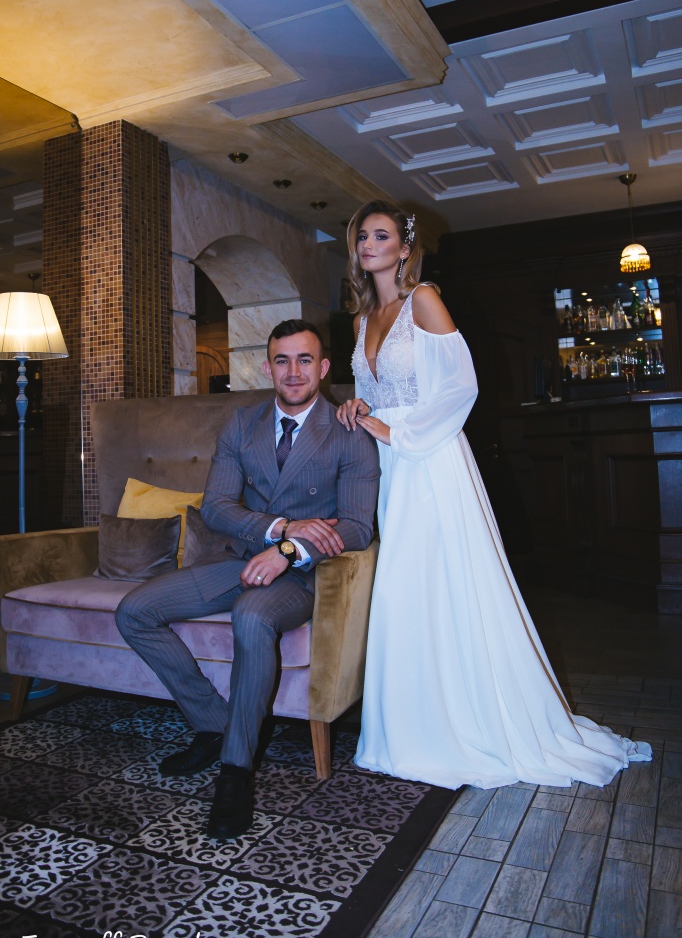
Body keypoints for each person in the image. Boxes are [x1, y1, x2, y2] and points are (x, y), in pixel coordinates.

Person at [336, 200, 651, 790]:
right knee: (405, 586)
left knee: (446, 583)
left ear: (404, 248)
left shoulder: (423, 299)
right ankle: (412, 727)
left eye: (381, 236)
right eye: (362, 237)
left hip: (431, 459)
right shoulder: (360, 320)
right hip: (392, 468)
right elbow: (376, 395)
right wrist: (360, 407)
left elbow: (461, 386)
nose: (369, 245)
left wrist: (396, 431)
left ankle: (471, 724)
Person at [116, 319, 380, 839]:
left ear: (324, 368)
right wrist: (280, 528)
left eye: (305, 359)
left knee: (251, 616)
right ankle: (214, 724)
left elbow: (356, 526)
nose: (293, 371)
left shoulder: (349, 431)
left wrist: (289, 550)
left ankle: (236, 772)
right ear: (267, 367)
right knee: (134, 611)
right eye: (282, 360)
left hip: (305, 574)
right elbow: (216, 506)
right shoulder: (242, 424)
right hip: (242, 560)